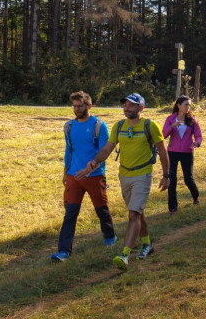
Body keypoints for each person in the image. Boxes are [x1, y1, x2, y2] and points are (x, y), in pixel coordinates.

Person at [77, 93, 170, 270]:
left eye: (132, 105)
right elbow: (107, 149)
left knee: (133, 214)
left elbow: (163, 152)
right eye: (125, 104)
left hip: (143, 175)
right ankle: (147, 245)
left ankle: (125, 254)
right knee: (138, 212)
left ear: (141, 108)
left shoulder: (150, 126)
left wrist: (166, 176)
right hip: (124, 176)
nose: (127, 108)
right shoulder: (119, 126)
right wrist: (93, 164)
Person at [52, 91, 117, 262]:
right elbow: (69, 150)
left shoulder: (99, 126)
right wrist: (66, 172)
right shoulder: (69, 126)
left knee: (101, 209)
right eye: (74, 106)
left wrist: (90, 168)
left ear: (89, 106)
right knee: (70, 213)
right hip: (74, 177)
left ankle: (110, 237)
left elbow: (104, 152)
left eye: (80, 106)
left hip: (94, 176)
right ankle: (64, 251)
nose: (76, 109)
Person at [162, 95, 202, 215]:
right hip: (172, 152)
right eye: (186, 104)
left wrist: (197, 142)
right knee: (172, 180)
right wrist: (172, 126)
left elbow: (198, 135)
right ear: (178, 105)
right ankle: (173, 207)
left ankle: (196, 197)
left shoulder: (193, 120)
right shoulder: (170, 119)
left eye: (189, 105)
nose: (188, 107)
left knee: (188, 179)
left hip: (187, 152)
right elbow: (163, 134)